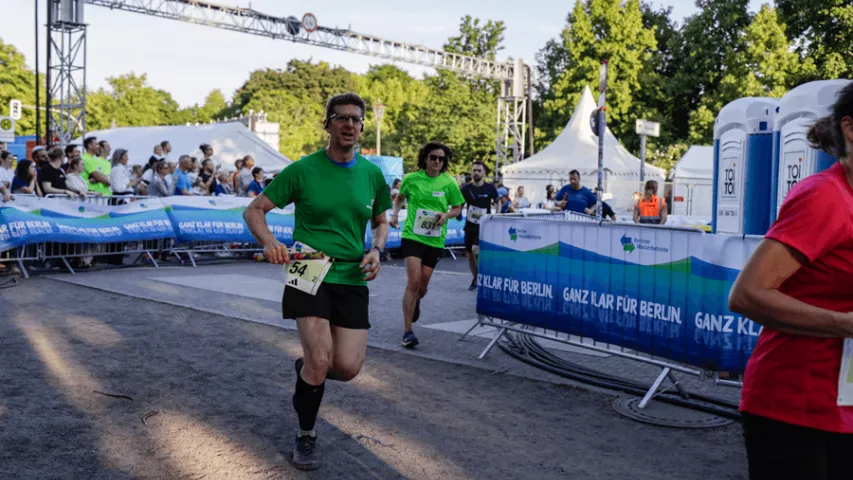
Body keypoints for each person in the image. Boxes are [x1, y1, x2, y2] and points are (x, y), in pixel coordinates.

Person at [243, 92, 391, 471]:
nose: (349, 125)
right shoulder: (303, 169)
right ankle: (306, 434)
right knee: (321, 359)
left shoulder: (373, 174)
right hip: (309, 268)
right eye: (341, 118)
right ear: (327, 124)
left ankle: (307, 370)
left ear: (362, 126)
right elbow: (254, 210)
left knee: (346, 367)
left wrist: (376, 250)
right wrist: (270, 241)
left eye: (356, 119)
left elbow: (381, 221)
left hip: (352, 273)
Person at [728, 82, 853, 480]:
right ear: (850, 128)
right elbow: (748, 295)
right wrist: (845, 324)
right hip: (794, 408)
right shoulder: (825, 197)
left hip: (842, 402)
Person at [390, 141, 464, 348]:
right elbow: (399, 198)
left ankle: (417, 300)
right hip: (413, 236)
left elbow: (457, 208)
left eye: (441, 159)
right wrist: (395, 214)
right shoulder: (412, 179)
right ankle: (407, 331)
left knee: (422, 286)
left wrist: (446, 214)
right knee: (413, 282)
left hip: (435, 239)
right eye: (433, 158)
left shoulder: (448, 183)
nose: (437, 162)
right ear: (425, 158)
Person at [460, 161, 498, 291]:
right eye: (474, 170)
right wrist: (459, 212)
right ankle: (476, 278)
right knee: (470, 254)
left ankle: (483, 277)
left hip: (484, 225)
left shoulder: (490, 188)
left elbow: (497, 201)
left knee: (476, 250)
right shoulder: (466, 188)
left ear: (484, 173)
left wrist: (496, 215)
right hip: (470, 225)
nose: (476, 173)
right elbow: (460, 203)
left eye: (479, 170)